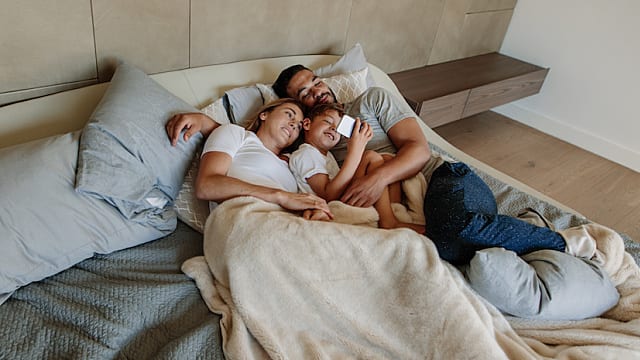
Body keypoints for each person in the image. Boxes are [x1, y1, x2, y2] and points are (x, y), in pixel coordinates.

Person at [271, 64, 590, 265]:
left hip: (444, 179)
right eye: (305, 93)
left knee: (455, 231)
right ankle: (516, 237)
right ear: (302, 110)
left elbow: (418, 150)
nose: (317, 91)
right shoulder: (321, 148)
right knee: (448, 250)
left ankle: (564, 241)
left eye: (315, 82)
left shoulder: (372, 100)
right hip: (419, 213)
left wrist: (379, 177)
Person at [167, 98, 332, 221]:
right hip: (246, 217)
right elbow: (206, 186)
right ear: (264, 114)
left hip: (291, 222)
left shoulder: (293, 164)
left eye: (298, 126)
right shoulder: (236, 134)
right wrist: (280, 196)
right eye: (289, 114)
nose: (293, 124)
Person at [289, 103, 425, 233]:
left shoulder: (326, 155)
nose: (333, 129)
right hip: (333, 205)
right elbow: (328, 195)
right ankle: (389, 222)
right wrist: (356, 150)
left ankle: (394, 211)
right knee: (370, 157)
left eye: (338, 129)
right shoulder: (305, 153)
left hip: (343, 197)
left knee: (388, 160)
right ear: (307, 124)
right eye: (328, 122)